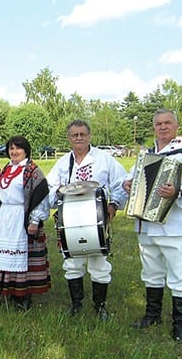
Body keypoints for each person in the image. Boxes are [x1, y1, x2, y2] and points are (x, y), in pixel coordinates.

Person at [123, 109, 182, 343]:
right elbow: (131, 179)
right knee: (151, 272)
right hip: (147, 226)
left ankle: (180, 326)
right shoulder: (145, 155)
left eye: (167, 123)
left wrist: (177, 191)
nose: (163, 127)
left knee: (180, 276)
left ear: (176, 127)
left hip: (175, 228)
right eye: (158, 123)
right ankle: (152, 316)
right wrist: (128, 184)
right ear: (154, 128)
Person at [46, 119, 127, 320]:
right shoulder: (63, 163)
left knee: (99, 262)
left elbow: (121, 183)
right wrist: (58, 193)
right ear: (69, 138)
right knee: (72, 262)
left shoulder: (104, 159)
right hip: (70, 221)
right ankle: (76, 304)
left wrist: (114, 204)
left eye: (83, 134)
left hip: (97, 219)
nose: (79, 138)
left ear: (89, 136)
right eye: (75, 135)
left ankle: (100, 306)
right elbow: (49, 188)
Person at [0, 135, 51, 311]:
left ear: (26, 150)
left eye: (18, 148)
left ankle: (25, 295)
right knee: (8, 256)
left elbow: (41, 196)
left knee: (23, 256)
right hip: (6, 217)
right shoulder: (7, 168)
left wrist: (35, 220)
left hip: (22, 216)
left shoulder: (32, 170)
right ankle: (11, 291)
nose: (14, 151)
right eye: (11, 148)